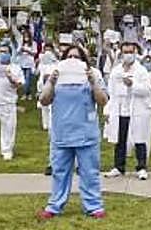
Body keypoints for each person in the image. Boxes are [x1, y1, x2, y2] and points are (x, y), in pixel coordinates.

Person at [37, 45, 107, 219]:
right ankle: (54, 206)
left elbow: (103, 100)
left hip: (86, 132)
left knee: (89, 172)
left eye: (77, 57)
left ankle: (93, 206)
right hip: (62, 133)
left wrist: (93, 83)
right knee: (59, 172)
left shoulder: (94, 74)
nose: (73, 60)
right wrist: (51, 83)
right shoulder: (56, 74)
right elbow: (44, 100)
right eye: (70, 56)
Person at [104, 40, 151, 180]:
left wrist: (132, 85)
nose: (128, 55)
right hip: (120, 110)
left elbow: (147, 90)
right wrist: (107, 111)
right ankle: (118, 167)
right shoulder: (116, 71)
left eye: (130, 52)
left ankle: (141, 167)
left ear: (135, 53)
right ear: (121, 53)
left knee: (139, 138)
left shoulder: (141, 71)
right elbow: (111, 93)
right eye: (125, 52)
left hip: (137, 109)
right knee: (120, 139)